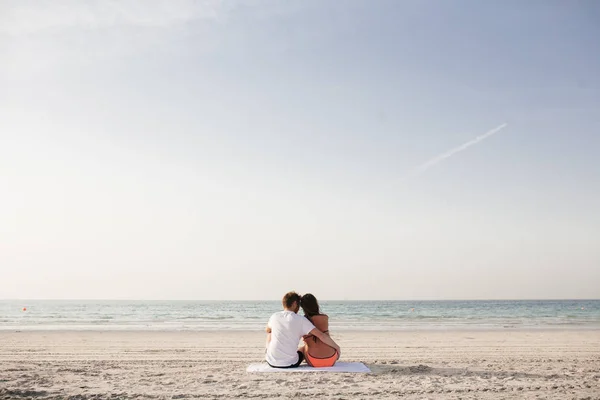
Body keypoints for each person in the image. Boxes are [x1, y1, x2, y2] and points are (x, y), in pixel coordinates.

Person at [266, 291, 341, 368]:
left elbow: (268, 330)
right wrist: (337, 347)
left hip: (271, 361)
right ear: (295, 304)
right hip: (290, 363)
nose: (298, 308)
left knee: (270, 332)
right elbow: (322, 336)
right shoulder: (301, 320)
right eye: (298, 305)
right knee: (302, 349)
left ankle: (269, 350)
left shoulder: (274, 316)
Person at [299, 293, 339, 367]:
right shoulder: (325, 317)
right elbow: (326, 337)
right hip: (331, 359)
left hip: (314, 360)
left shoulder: (303, 320)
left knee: (303, 348)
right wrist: (337, 348)